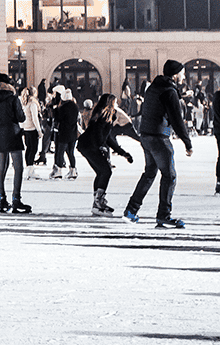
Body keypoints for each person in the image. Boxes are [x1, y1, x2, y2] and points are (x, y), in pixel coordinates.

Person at [122, 59, 194, 228]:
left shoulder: (153, 88)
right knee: (169, 176)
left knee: (149, 173)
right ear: (176, 75)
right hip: (159, 137)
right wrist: (187, 142)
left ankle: (131, 210)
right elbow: (177, 119)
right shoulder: (170, 91)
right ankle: (164, 215)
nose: (184, 76)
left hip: (146, 135)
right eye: (182, 73)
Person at [77, 93, 138, 216]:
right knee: (106, 171)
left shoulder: (101, 115)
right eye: (115, 103)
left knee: (101, 172)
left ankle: (97, 203)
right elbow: (100, 134)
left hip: (85, 145)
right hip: (89, 146)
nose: (117, 105)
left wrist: (123, 153)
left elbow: (108, 138)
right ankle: (98, 203)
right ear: (110, 103)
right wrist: (100, 146)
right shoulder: (105, 116)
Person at [0, 73, 30, 214]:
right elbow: (21, 117)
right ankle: (16, 199)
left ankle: (2, 199)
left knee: (0, 168)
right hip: (12, 134)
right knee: (18, 168)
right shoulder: (13, 98)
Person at [48, 86, 79, 180]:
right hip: (73, 133)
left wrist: (54, 109)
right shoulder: (75, 106)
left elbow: (57, 118)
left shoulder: (62, 107)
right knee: (71, 152)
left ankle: (58, 171)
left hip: (63, 132)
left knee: (60, 152)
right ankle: (73, 170)